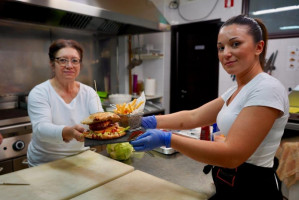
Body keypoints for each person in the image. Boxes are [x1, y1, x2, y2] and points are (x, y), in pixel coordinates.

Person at [131, 15, 289, 200]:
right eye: (221, 48)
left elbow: (232, 155)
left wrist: (168, 139)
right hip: (230, 184)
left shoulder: (267, 88)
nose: (225, 53)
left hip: (253, 189)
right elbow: (194, 117)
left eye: (235, 44)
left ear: (258, 47)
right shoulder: (235, 91)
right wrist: (146, 121)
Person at [27, 39, 103, 167]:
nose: (69, 65)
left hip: (81, 159)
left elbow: (99, 118)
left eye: (74, 60)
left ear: (80, 65)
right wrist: (69, 132)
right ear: (52, 64)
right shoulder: (40, 92)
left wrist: (110, 122)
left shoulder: (89, 92)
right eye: (62, 60)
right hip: (45, 163)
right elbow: (41, 129)